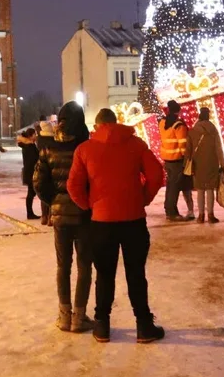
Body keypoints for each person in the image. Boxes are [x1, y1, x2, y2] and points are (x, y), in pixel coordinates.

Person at [68, 108, 165, 344]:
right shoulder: (136, 145)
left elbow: (73, 186)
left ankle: (102, 325)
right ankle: (143, 325)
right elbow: (156, 175)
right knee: (136, 273)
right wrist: (142, 199)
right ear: (115, 123)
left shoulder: (85, 149)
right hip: (133, 220)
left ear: (97, 125)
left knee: (104, 274)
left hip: (101, 222)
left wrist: (90, 205)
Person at [34, 102, 93, 333]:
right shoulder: (86, 147)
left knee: (63, 266)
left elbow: (38, 183)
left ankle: (64, 316)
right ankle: (79, 317)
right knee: (84, 265)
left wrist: (54, 201)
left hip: (60, 216)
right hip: (84, 214)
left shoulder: (48, 148)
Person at [189, 107, 224, 224]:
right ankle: (210, 215)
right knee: (210, 189)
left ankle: (200, 216)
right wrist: (222, 163)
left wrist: (187, 163)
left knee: (200, 189)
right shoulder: (213, 129)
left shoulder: (193, 130)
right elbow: (219, 148)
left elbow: (188, 149)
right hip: (212, 163)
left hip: (197, 163)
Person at [158, 100, 192, 221]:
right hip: (177, 160)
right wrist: (187, 158)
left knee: (170, 185)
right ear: (178, 111)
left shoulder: (162, 122)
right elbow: (183, 145)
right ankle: (172, 212)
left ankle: (168, 208)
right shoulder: (179, 125)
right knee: (175, 187)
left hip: (167, 159)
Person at [18, 127, 41, 219]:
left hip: (29, 171)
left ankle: (30, 213)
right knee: (31, 193)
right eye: (35, 134)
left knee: (31, 193)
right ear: (31, 136)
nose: (36, 135)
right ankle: (30, 213)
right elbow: (33, 159)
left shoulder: (28, 145)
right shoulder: (29, 146)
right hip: (31, 172)